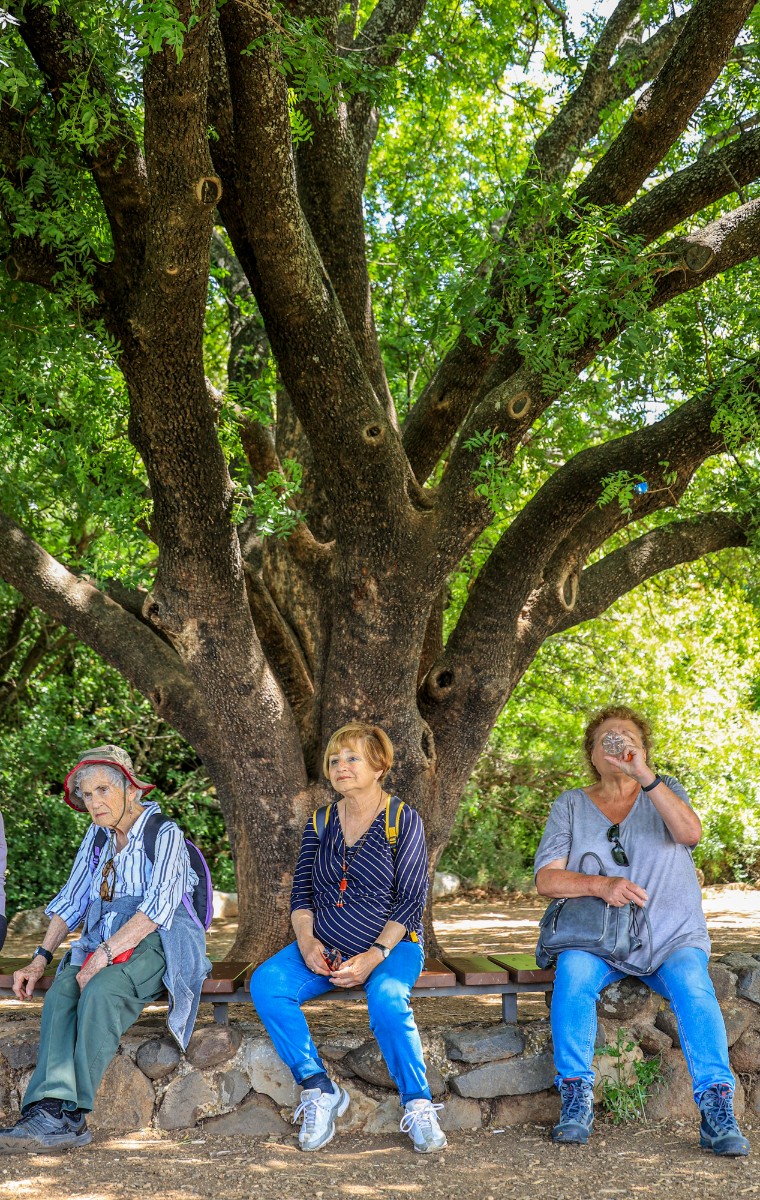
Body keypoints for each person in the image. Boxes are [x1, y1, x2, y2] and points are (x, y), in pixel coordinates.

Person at [534, 706, 749, 1156]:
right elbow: (546, 880)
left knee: (693, 986)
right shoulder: (571, 804)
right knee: (571, 975)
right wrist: (600, 884)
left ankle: (716, 1107)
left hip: (672, 935)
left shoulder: (663, 789)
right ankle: (575, 1098)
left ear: (644, 749)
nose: (616, 744)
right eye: (605, 739)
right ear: (591, 753)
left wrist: (645, 777)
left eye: (627, 737)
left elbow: (691, 833)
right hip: (600, 942)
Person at [0, 744, 210, 1154]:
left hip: (158, 940)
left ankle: (72, 1116)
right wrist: (40, 958)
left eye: (102, 790)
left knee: (101, 991)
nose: (93, 803)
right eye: (86, 794)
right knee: (62, 991)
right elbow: (73, 899)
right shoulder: (97, 837)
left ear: (131, 789)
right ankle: (46, 1109)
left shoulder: (164, 834)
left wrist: (102, 954)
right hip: (106, 940)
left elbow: (156, 911)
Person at [250, 721, 446, 1153]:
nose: (341, 766)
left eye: (353, 758)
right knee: (267, 984)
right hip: (326, 948)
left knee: (390, 1000)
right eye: (335, 759)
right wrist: (306, 942)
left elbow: (412, 900)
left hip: (392, 947)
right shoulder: (319, 823)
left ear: (380, 766)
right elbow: (301, 892)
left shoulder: (402, 819)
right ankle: (319, 1087)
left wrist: (375, 955)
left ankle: (418, 1103)